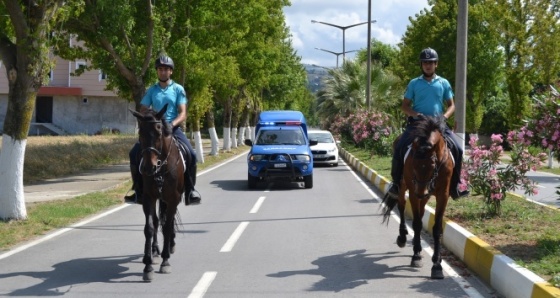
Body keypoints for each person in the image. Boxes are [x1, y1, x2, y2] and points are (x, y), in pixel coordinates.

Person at [386, 47, 470, 200]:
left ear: (436, 64)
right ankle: (396, 184)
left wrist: (444, 116)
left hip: (438, 124)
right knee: (399, 146)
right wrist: (415, 114)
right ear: (421, 65)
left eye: (430, 62)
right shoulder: (414, 83)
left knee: (457, 148)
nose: (427, 65)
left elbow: (452, 105)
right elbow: (404, 106)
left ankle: (456, 185)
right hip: (418, 125)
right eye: (425, 62)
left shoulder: (443, 83)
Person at [125, 55, 201, 205]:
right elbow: (144, 108)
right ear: (157, 71)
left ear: (171, 71)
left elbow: (183, 113)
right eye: (160, 69)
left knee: (191, 154)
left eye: (166, 69)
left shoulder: (178, 89)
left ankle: (190, 191)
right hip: (155, 130)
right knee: (134, 153)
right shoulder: (152, 90)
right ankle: (137, 190)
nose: (163, 72)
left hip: (173, 128)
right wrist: (149, 119)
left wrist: (172, 125)